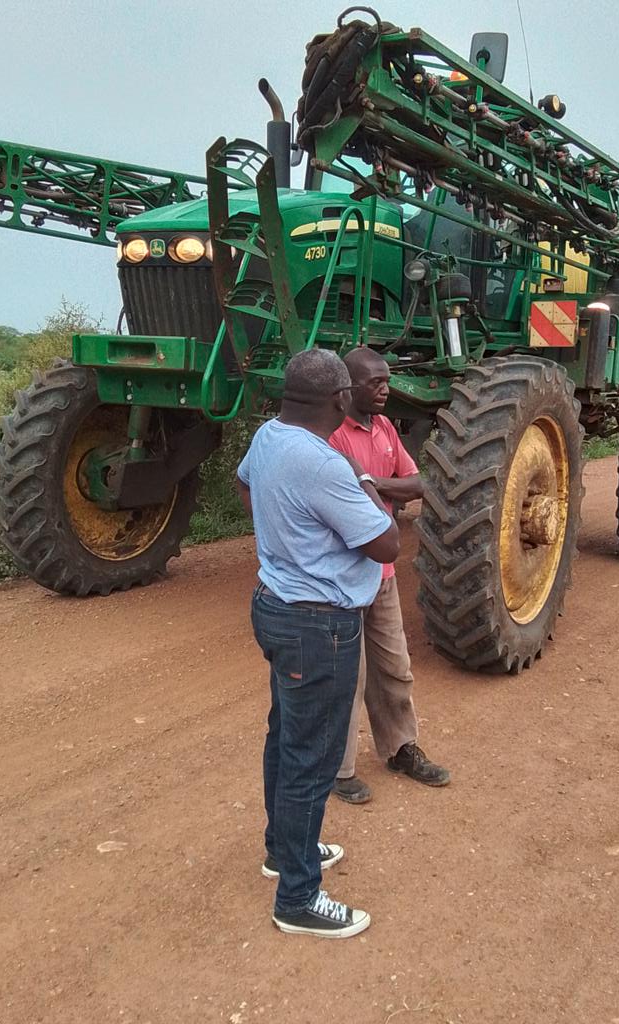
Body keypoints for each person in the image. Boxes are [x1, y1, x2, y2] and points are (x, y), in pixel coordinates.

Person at [236, 347, 399, 939]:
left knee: (285, 736)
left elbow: (245, 490)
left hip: (275, 606)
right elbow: (386, 546)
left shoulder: (268, 438)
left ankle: (282, 850)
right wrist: (371, 496)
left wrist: (292, 536)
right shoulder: (324, 464)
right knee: (313, 760)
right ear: (338, 399)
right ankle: (298, 899)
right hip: (319, 623)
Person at [327, 346, 450, 804]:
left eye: (387, 381)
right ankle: (339, 771)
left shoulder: (384, 429)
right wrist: (378, 492)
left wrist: (375, 484)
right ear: (347, 385)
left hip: (381, 573)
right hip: (341, 576)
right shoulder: (331, 435)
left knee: (394, 667)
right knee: (347, 677)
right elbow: (345, 504)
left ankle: (401, 749)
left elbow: (419, 485)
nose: (385, 389)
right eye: (374, 382)